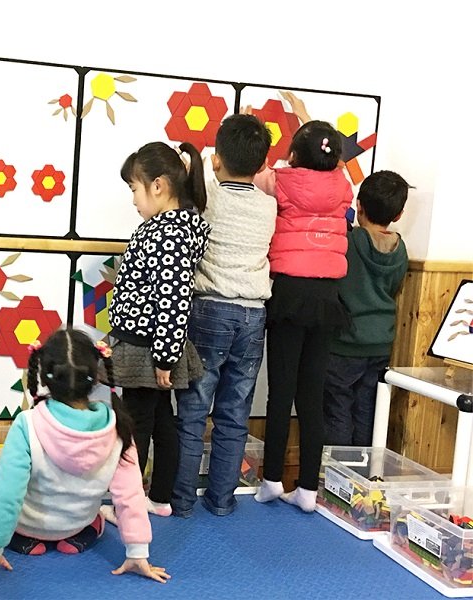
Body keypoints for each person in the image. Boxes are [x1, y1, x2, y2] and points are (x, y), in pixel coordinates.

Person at [0, 328, 169, 583]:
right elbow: (130, 494)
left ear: (44, 377)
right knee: (95, 514)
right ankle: (80, 535)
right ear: (95, 377)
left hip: (26, 525)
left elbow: (7, 493)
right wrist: (138, 552)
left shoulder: (27, 423)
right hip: (76, 524)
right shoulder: (118, 426)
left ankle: (24, 540)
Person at [251, 92, 353, 512]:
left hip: (290, 293)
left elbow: (254, 171)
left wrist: (254, 123)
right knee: (312, 395)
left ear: (293, 155)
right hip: (327, 297)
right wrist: (306, 117)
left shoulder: (284, 180)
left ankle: (272, 479)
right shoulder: (343, 184)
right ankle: (308, 488)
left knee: (281, 391)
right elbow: (336, 160)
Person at [171, 114, 276, 517]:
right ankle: (221, 501)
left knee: (193, 412)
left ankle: (181, 501)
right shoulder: (268, 206)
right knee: (235, 414)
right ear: (262, 165)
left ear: (216, 159)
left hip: (209, 310)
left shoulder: (208, 198)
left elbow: (192, 179)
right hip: (253, 315)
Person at [108, 141, 210, 517]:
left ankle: (130, 506)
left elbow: (173, 297)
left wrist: (165, 357)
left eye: (134, 189)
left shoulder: (167, 234)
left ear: (158, 186)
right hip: (151, 344)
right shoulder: (169, 229)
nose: (133, 199)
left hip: (147, 347)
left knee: (135, 426)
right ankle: (159, 498)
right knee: (161, 420)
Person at [323, 171, 411, 446]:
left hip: (345, 342)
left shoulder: (349, 242)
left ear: (358, 205)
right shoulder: (400, 250)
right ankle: (361, 469)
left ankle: (335, 471)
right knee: (366, 412)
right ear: (399, 215)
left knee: (337, 409)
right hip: (380, 344)